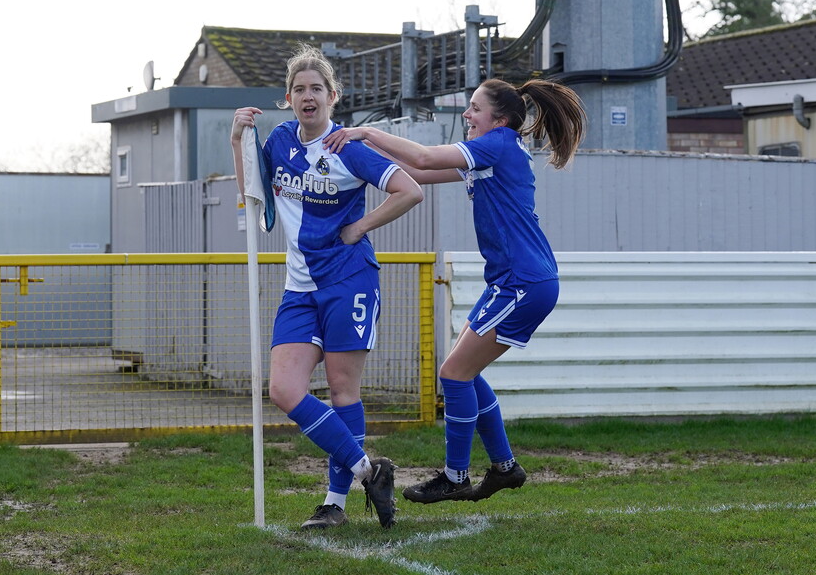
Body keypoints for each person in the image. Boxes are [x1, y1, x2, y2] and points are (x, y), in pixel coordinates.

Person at [323, 77, 586, 504]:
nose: (466, 115)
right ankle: (503, 467)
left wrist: (365, 132)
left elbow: (425, 157)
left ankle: (455, 476)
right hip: (512, 281)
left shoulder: (498, 143)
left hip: (523, 283)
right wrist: (358, 160)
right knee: (463, 372)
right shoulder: (495, 149)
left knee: (453, 374)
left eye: (474, 109)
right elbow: (416, 173)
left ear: (498, 120)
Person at [230, 44, 423, 529]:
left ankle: (334, 504)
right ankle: (369, 471)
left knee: (342, 391)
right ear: (289, 99)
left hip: (349, 282)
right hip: (299, 288)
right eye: (299, 89)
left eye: (317, 88)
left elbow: (409, 190)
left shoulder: (349, 148)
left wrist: (360, 228)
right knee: (283, 389)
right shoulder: (278, 142)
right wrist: (237, 141)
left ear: (333, 96)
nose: (308, 96)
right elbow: (251, 195)